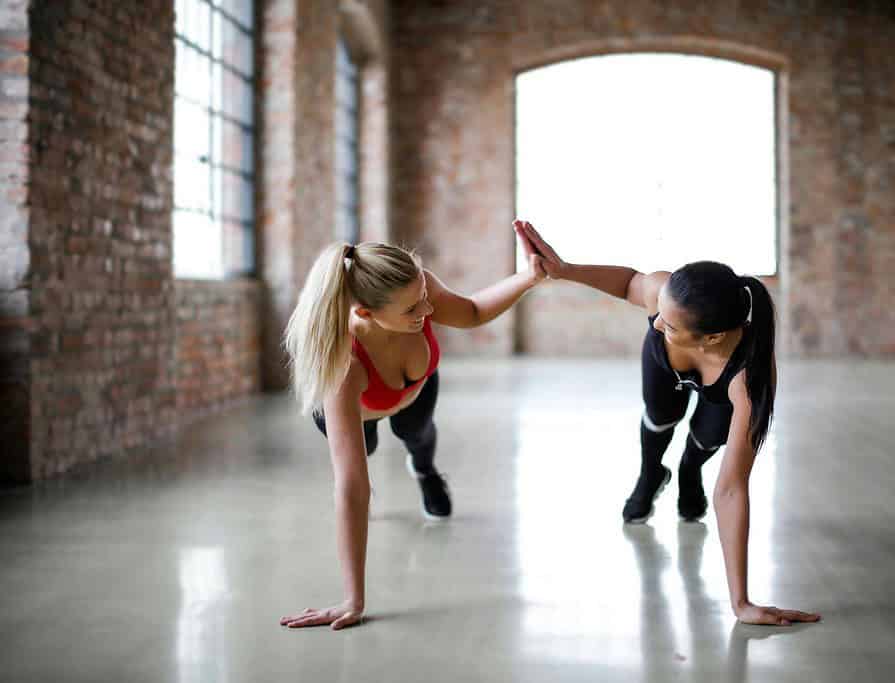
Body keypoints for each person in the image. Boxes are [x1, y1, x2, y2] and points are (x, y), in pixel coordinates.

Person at [516, 220, 820, 627]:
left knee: (705, 440)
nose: (657, 323)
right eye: (660, 314)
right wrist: (565, 269)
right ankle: (649, 475)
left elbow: (732, 488)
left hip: (719, 387)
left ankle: (688, 473)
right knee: (660, 419)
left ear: (711, 338)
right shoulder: (666, 298)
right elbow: (629, 284)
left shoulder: (750, 379)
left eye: (670, 325)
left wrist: (741, 603)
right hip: (665, 365)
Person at [279, 230, 547, 630]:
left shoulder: (415, 287)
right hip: (361, 408)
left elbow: (472, 312)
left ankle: (425, 471)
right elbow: (351, 485)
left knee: (418, 438)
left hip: (415, 387)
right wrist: (353, 599)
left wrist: (531, 276)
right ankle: (394, 454)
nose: (427, 307)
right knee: (361, 458)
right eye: (412, 309)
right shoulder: (343, 368)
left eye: (424, 294)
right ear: (366, 313)